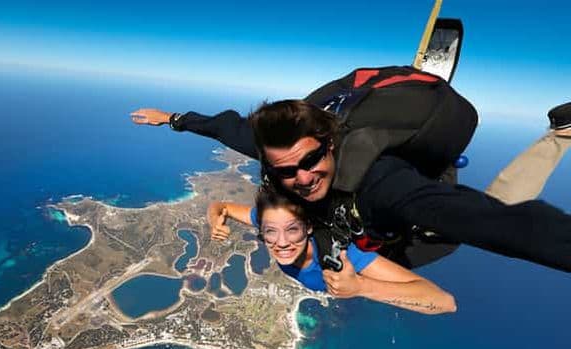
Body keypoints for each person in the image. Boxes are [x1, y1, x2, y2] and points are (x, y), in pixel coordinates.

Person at [131, 66, 571, 272]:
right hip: (370, 227)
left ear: (331, 144)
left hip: (414, 226)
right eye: (287, 171)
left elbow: (495, 224)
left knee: (482, 213)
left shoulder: (380, 185)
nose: (302, 177)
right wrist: (173, 119)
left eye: (311, 160)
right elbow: (227, 127)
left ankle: (561, 134)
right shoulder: (275, 153)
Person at [207, 186, 456, 315]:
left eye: (292, 230)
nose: (281, 242)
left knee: (450, 231)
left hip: (406, 246)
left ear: (309, 228)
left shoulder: (343, 256)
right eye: (270, 231)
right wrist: (214, 221)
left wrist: (361, 287)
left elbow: (444, 302)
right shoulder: (272, 219)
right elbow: (220, 206)